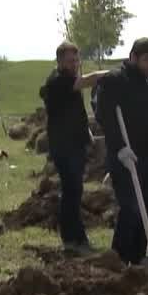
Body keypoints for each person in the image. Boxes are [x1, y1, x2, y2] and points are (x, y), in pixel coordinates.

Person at [96, 38, 148, 266]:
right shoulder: (114, 81)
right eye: (147, 60)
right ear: (133, 57)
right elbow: (105, 117)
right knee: (131, 208)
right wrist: (119, 148)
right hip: (124, 156)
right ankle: (118, 260)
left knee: (147, 208)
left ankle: (139, 258)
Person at [39, 41, 109, 255]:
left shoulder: (66, 79)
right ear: (60, 61)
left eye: (77, 60)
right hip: (64, 146)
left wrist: (87, 133)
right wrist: (112, 73)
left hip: (74, 144)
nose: (76, 64)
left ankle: (75, 237)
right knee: (72, 191)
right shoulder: (59, 81)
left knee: (74, 191)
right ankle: (73, 239)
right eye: (71, 60)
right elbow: (87, 81)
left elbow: (74, 111)